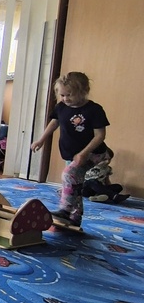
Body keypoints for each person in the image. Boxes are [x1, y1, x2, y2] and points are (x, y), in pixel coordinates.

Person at [31, 71, 110, 227]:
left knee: (69, 175)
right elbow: (54, 122)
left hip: (94, 153)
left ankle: (66, 211)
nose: (65, 99)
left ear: (84, 91)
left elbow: (100, 135)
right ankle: (75, 218)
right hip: (72, 154)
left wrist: (84, 153)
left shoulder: (94, 110)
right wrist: (41, 140)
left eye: (70, 95)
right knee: (74, 185)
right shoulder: (61, 107)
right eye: (62, 95)